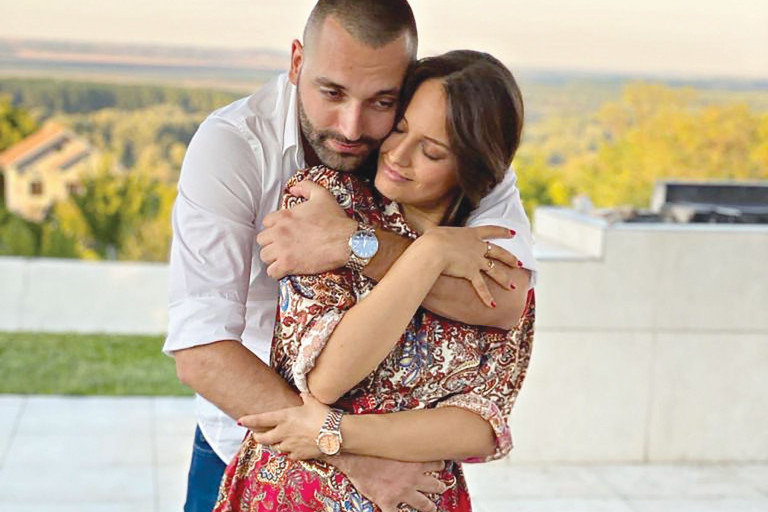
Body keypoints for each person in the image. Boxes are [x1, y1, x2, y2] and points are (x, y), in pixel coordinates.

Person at [163, 1, 536, 511]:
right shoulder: (235, 149)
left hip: (406, 474)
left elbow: (505, 301)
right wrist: (351, 455)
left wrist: (358, 244)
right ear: (297, 63)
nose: (353, 127)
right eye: (332, 92)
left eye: (382, 101)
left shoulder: (453, 142)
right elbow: (202, 351)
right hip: (252, 448)